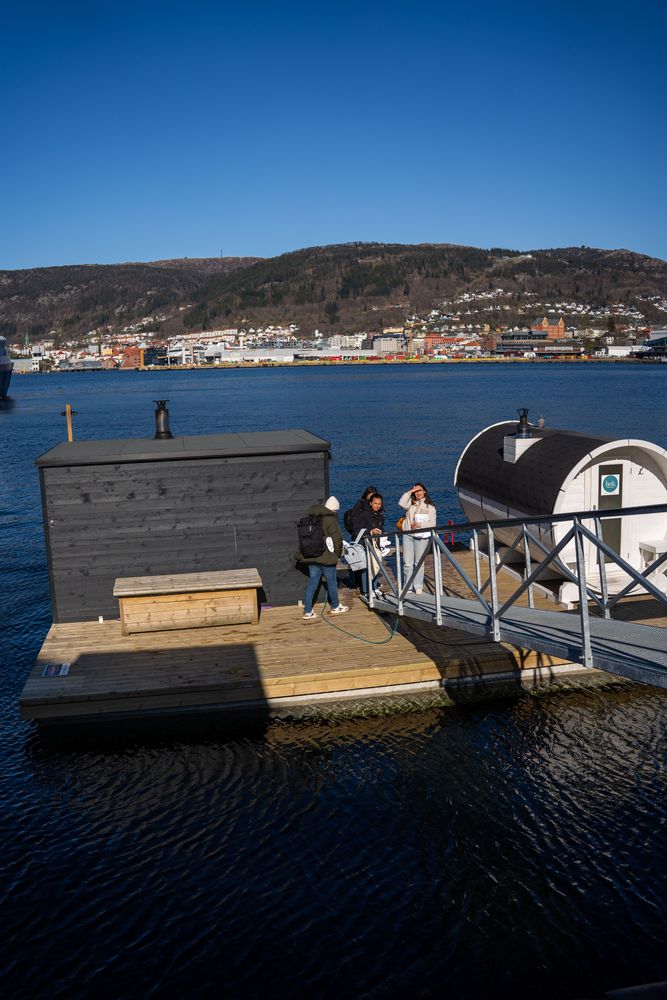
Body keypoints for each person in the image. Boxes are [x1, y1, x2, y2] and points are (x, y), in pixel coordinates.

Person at [296, 496, 349, 621]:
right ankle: (335, 606)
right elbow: (337, 539)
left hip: (311, 555)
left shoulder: (312, 516)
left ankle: (307, 611)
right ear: (334, 510)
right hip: (326, 558)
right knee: (331, 582)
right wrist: (337, 554)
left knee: (313, 583)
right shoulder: (330, 520)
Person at [398, 483, 436, 594]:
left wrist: (419, 525)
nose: (417, 493)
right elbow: (401, 503)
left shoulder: (430, 507)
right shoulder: (411, 503)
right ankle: (408, 585)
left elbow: (432, 524)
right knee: (407, 562)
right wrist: (410, 492)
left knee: (419, 562)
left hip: (421, 537)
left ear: (424, 491)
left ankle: (418, 585)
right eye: (415, 491)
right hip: (408, 535)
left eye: (419, 490)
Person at [351, 491, 385, 597]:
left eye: (379, 504)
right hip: (364, 544)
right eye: (375, 503)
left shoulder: (380, 515)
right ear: (370, 503)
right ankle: (366, 590)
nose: (377, 506)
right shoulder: (364, 514)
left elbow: (381, 527)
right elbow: (356, 530)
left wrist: (382, 531)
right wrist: (370, 531)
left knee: (376, 565)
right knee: (366, 567)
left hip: (375, 543)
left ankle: (374, 587)